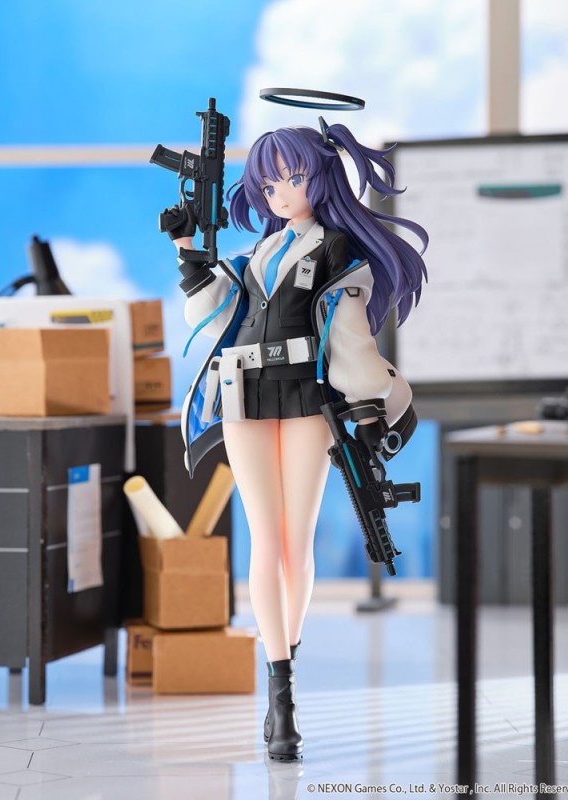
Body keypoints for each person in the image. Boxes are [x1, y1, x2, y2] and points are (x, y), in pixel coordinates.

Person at [162, 121, 428, 761]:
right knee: (264, 539)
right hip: (243, 395)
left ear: (320, 177)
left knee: (293, 544)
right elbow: (217, 318)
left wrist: (375, 405)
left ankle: (286, 670)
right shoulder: (259, 253)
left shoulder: (336, 250)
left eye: (293, 177)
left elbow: (351, 335)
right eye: (269, 183)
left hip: (307, 395)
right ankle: (279, 693)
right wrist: (187, 251)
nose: (279, 192)